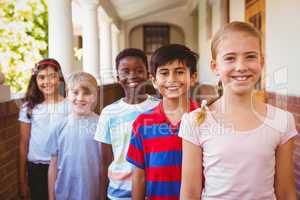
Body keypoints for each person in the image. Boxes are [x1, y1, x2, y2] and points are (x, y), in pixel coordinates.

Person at [179, 21, 298, 200]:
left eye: (250, 56)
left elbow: (286, 191)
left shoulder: (282, 121)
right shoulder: (195, 121)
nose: (241, 66)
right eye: (230, 58)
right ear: (214, 67)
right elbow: (190, 192)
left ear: (261, 62)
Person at [126, 44, 199, 200]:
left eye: (179, 72)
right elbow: (139, 177)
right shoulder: (142, 123)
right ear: (153, 80)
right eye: (164, 73)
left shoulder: (204, 119)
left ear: (193, 78)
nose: (171, 79)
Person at [94, 48, 159, 200]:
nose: (132, 76)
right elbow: (105, 162)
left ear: (148, 75)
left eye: (138, 70)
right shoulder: (108, 113)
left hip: (152, 190)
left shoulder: (159, 108)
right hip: (118, 192)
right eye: (125, 71)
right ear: (118, 77)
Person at [18, 58, 68, 200]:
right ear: (36, 80)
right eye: (42, 77)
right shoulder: (29, 107)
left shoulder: (70, 106)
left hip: (62, 166)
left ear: (60, 78)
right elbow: (23, 144)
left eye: (52, 76)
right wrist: (22, 181)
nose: (47, 81)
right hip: (36, 167)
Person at [47, 72, 100, 200]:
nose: (80, 98)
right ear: (67, 95)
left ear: (94, 96)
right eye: (75, 92)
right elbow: (53, 165)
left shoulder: (102, 124)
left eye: (86, 93)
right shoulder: (59, 126)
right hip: (64, 193)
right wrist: (51, 197)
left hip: (93, 193)